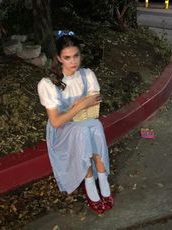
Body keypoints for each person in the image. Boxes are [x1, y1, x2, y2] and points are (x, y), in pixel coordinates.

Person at [37, 31, 113, 214]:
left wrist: (91, 100)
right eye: (67, 57)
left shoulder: (87, 75)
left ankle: (102, 178)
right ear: (58, 58)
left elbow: (95, 100)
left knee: (95, 125)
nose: (73, 62)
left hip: (85, 123)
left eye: (76, 55)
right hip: (63, 130)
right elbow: (55, 122)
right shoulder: (48, 83)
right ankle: (89, 183)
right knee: (83, 131)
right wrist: (80, 105)